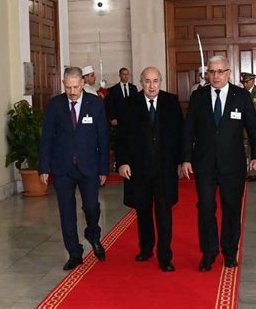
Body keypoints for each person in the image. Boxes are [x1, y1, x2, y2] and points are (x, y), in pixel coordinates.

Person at [181, 55, 256, 271]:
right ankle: (208, 253)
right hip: (204, 165)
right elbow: (188, 130)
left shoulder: (241, 96)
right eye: (212, 72)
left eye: (220, 71)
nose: (216, 76)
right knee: (206, 208)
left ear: (228, 73)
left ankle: (229, 251)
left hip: (233, 165)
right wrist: (186, 159)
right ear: (207, 74)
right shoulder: (198, 97)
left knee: (231, 208)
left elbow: (254, 129)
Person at [39, 66, 109, 271]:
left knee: (91, 207)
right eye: (68, 87)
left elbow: (103, 138)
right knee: (66, 212)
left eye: (76, 87)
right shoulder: (55, 105)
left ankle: (93, 234)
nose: (72, 91)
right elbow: (46, 139)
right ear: (63, 84)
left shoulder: (95, 104)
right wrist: (44, 167)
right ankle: (74, 253)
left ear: (83, 84)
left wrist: (104, 168)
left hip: (89, 167)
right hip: (63, 168)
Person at [116, 67, 183, 272]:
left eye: (155, 81)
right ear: (141, 82)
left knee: (164, 212)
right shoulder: (129, 103)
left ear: (161, 82)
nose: (151, 85)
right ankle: (146, 248)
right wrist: (123, 162)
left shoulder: (171, 102)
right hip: (139, 169)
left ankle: (165, 257)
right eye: (147, 81)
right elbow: (121, 137)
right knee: (143, 211)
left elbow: (181, 134)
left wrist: (182, 161)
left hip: (165, 169)